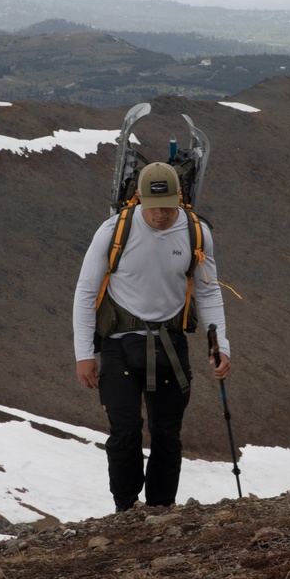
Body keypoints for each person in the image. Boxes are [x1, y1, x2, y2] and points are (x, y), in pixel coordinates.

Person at [72, 161, 231, 512]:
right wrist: (84, 353)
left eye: (169, 207)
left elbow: (208, 293)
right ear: (139, 197)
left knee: (167, 435)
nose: (161, 215)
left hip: (170, 345)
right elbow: (85, 291)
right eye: (155, 207)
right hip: (118, 344)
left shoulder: (197, 233)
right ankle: (127, 508)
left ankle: (161, 508)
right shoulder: (113, 231)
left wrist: (219, 347)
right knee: (125, 431)